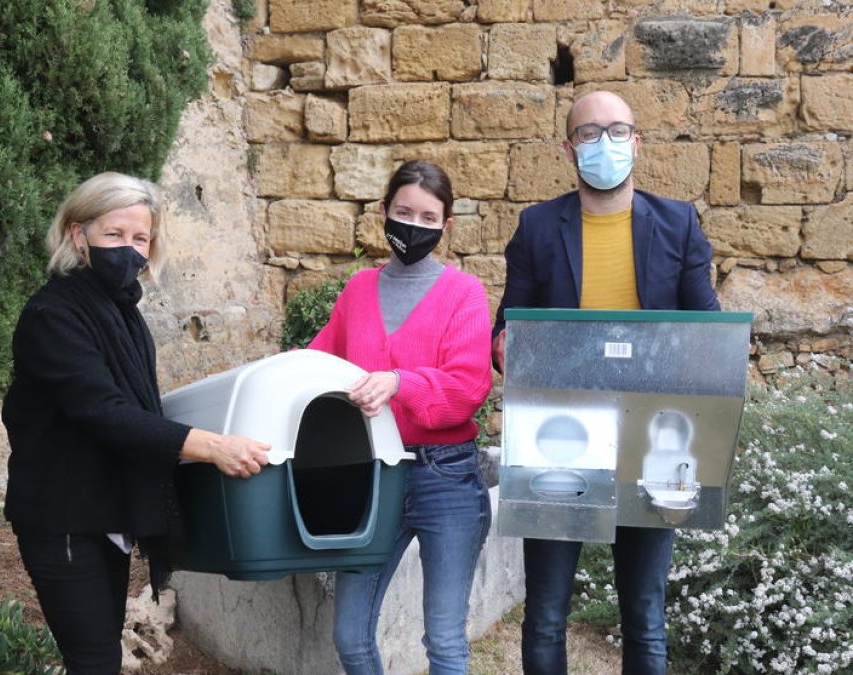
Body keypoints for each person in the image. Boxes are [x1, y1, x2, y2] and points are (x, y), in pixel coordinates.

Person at [2, 172, 272, 674]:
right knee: (94, 659)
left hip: (106, 510)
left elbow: (139, 408)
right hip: (63, 516)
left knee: (102, 651)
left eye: (140, 238)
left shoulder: (122, 312)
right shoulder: (52, 314)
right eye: (114, 234)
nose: (129, 249)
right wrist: (212, 446)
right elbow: (103, 411)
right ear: (78, 235)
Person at [492, 91, 721, 675]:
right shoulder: (538, 227)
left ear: (636, 142)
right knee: (546, 612)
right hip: (560, 437)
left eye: (617, 131)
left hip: (653, 440)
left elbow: (708, 332)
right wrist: (508, 348)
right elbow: (506, 333)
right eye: (589, 133)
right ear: (568, 148)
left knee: (644, 613)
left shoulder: (677, 223)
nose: (605, 143)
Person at [308, 160, 494, 674]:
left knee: (445, 640)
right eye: (404, 212)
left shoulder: (464, 293)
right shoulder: (358, 290)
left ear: (446, 225)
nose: (414, 225)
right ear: (384, 212)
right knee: (350, 636)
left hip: (446, 477)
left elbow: (468, 388)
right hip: (371, 474)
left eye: (428, 218)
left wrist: (399, 382)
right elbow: (318, 364)